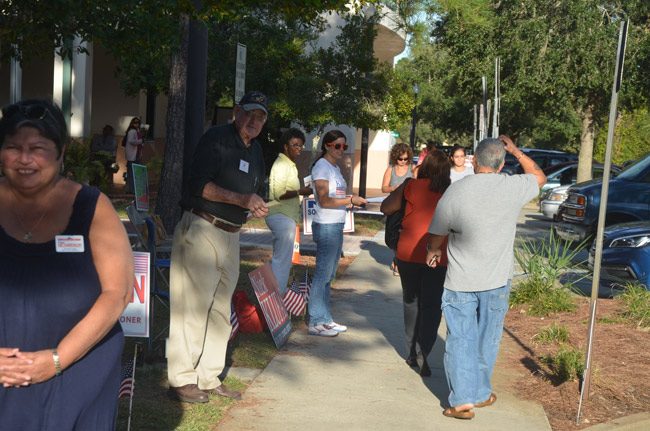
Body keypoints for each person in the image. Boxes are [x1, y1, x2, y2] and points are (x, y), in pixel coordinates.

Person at [0, 99, 133, 429]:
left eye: (38, 148)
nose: (25, 159)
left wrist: (57, 359)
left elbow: (117, 294)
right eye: (13, 147)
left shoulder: (92, 207)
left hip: (78, 373)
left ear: (60, 153)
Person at [425, 135, 546, 420]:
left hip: (461, 280)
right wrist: (516, 150)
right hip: (497, 279)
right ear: (502, 163)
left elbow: (438, 233)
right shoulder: (512, 186)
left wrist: (433, 251)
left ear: (474, 161)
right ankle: (480, 393)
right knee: (487, 338)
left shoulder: (455, 191)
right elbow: (539, 176)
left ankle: (463, 400)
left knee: (460, 338)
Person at [167, 91, 269, 403]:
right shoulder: (216, 138)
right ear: (237, 112)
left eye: (261, 116)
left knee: (220, 310)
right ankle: (182, 378)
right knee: (193, 307)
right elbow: (199, 185)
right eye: (249, 113)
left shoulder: (256, 151)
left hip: (232, 234)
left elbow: (256, 189)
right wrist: (241, 199)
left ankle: (209, 376)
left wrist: (256, 204)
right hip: (202, 228)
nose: (254, 121)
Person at [381, 151, 450, 378]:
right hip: (438, 256)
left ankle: (411, 351)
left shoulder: (411, 186)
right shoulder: (451, 192)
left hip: (408, 252)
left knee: (411, 302)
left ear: (425, 167)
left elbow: (386, 208)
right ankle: (424, 351)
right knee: (432, 306)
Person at [308, 130, 367, 337]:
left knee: (329, 274)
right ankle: (316, 320)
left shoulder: (334, 167)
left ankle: (325, 318)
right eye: (337, 146)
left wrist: (349, 200)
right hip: (326, 225)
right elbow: (324, 200)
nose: (341, 150)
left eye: (344, 146)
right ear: (327, 146)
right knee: (323, 274)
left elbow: (338, 196)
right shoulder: (322, 167)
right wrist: (350, 200)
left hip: (336, 224)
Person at [265, 128, 312, 295]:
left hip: (287, 217)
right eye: (295, 145)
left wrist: (302, 193)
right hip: (280, 216)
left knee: (283, 260)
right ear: (285, 146)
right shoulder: (281, 164)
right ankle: (276, 299)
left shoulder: (290, 165)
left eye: (301, 145)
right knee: (282, 261)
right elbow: (279, 193)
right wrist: (301, 192)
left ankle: (276, 297)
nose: (298, 148)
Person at [381, 142, 414, 275]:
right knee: (392, 236)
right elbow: (383, 188)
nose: (403, 161)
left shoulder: (413, 168)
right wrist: (394, 188)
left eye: (406, 159)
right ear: (396, 157)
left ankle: (399, 262)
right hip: (394, 208)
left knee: (405, 235)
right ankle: (397, 257)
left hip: (408, 208)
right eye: (400, 159)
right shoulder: (391, 169)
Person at [123, 117, 143, 193]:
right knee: (132, 174)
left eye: (138, 123)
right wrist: (141, 141)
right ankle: (132, 190)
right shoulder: (132, 131)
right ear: (132, 123)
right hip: (132, 156)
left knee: (135, 173)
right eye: (135, 122)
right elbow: (131, 141)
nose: (136, 124)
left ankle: (133, 189)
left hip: (136, 155)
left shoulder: (137, 131)